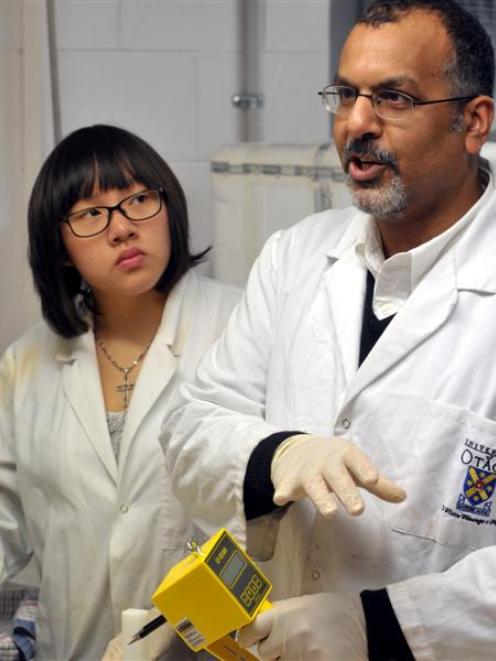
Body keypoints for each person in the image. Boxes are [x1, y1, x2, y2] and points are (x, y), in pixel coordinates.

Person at [160, 0, 496, 658]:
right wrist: (272, 454)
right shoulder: (295, 256)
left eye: (393, 97)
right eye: (346, 94)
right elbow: (192, 426)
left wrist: (383, 625)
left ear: (473, 121)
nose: (356, 123)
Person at [0, 123, 240, 660]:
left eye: (138, 200)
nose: (123, 229)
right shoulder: (26, 362)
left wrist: (188, 628)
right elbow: (5, 518)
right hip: (73, 646)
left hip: (211, 649)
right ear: (59, 247)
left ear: (169, 207)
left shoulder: (241, 328)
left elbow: (266, 528)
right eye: (90, 214)